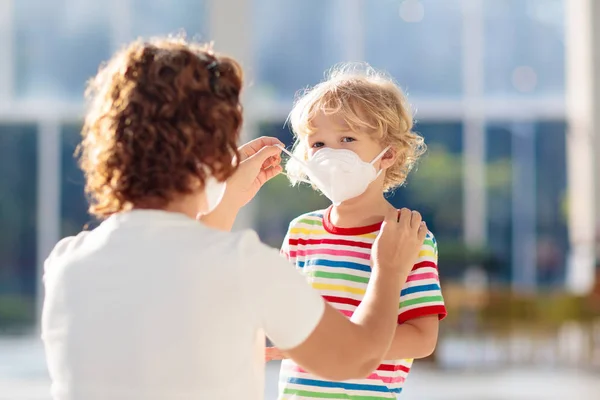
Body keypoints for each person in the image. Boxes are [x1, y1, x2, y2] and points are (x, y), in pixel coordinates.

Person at [40, 38, 428, 400]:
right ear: (209, 155)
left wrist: (225, 200)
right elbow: (355, 358)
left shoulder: (65, 263)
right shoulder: (246, 266)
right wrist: (390, 269)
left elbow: (174, 264)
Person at [267, 64, 447, 399]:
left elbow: (423, 338)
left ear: (387, 154)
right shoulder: (301, 231)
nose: (330, 154)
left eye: (347, 139)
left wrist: (340, 349)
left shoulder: (406, 236)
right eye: (318, 143)